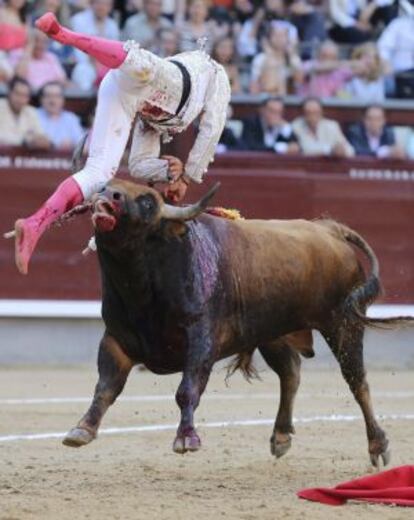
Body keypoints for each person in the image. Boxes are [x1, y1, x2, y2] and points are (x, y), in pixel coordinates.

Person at [10, 11, 231, 275]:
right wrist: (188, 178)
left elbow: (138, 166)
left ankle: (35, 224)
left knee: (97, 172)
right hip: (167, 83)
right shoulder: (217, 75)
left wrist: (168, 172)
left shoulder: (151, 124)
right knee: (145, 66)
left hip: (126, 92)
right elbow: (212, 127)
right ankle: (64, 34)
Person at [249, 24, 301, 95]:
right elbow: (254, 85)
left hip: (288, 100)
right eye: (276, 35)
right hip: (266, 98)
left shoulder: (294, 59)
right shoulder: (260, 58)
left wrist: (291, 55)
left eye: (282, 35)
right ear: (269, 38)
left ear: (288, 39)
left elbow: (299, 81)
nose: (279, 38)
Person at [0, 76, 50, 148]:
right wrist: (24, 140)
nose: (20, 99)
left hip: (22, 158)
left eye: (24, 95)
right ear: (9, 93)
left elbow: (39, 135)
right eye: (17, 94)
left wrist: (42, 140)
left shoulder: (31, 111)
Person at [37, 81, 84, 150]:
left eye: (56, 96)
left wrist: (72, 145)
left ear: (62, 100)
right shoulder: (33, 115)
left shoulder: (71, 118)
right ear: (41, 99)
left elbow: (83, 147)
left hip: (65, 159)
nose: (52, 100)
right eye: (48, 96)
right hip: (36, 159)